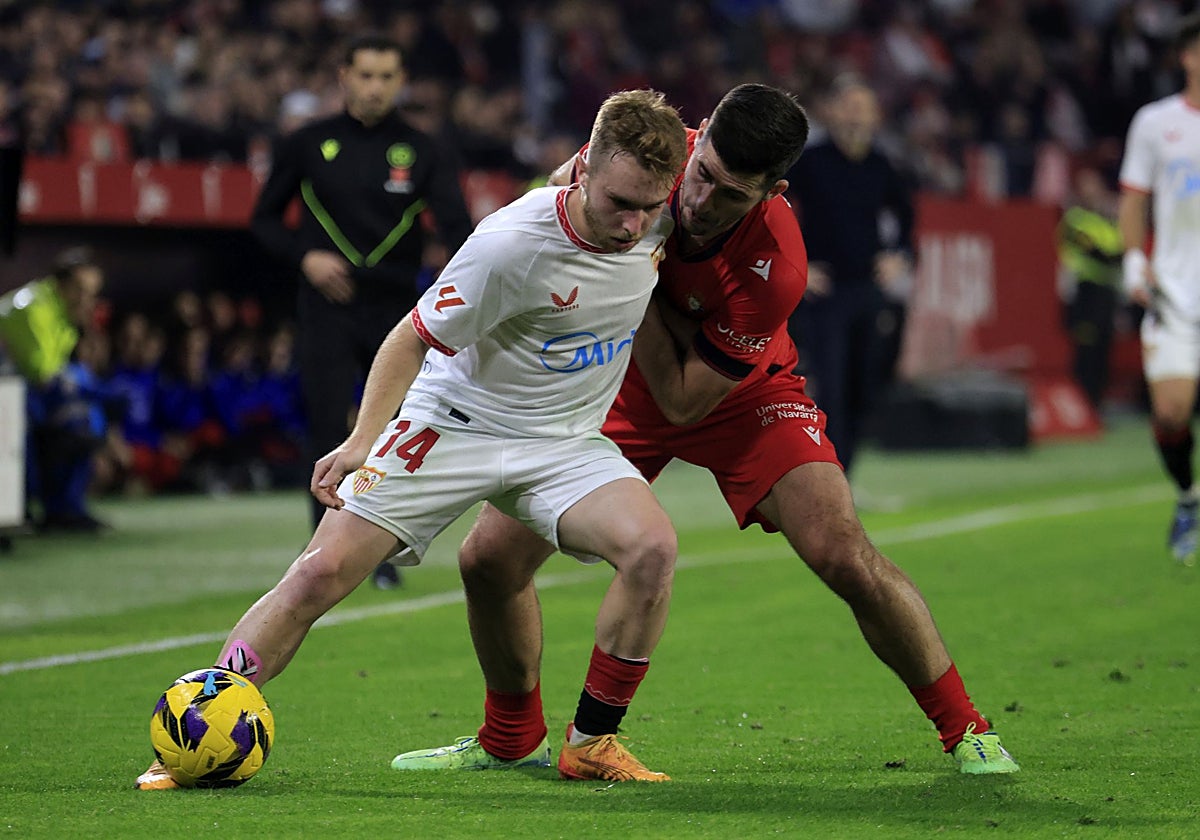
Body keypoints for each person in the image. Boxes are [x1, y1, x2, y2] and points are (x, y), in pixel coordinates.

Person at [393, 84, 1018, 780]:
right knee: (487, 562)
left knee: (842, 552)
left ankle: (966, 728)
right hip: (616, 386)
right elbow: (560, 198)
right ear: (701, 135)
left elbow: (686, 399)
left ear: (772, 192)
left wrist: (644, 281)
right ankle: (510, 738)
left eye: (730, 194)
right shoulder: (650, 155)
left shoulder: (776, 265)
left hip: (742, 399)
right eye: (702, 174)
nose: (697, 201)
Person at [135, 88, 689, 791]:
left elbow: (714, 169)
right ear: (584, 172)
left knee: (653, 548)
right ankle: (194, 735)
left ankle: (590, 743)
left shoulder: (658, 210)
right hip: (453, 424)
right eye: (619, 203)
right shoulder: (508, 245)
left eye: (649, 206)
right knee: (317, 573)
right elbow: (408, 338)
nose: (634, 223)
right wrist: (364, 439)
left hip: (562, 443)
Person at [250, 32, 474, 589]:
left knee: (393, 429)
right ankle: (317, 553)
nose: (375, 87)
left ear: (401, 83)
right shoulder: (306, 142)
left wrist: (452, 294)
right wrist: (306, 258)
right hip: (324, 303)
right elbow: (264, 220)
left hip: (397, 310)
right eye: (365, 75)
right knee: (326, 422)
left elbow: (459, 232)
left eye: (386, 77)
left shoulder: (424, 150)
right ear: (344, 77)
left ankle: (377, 552)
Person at [786, 74, 915, 475]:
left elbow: (908, 219)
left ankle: (847, 473)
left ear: (876, 116)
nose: (856, 115)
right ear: (833, 111)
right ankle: (829, 475)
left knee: (864, 385)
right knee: (832, 387)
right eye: (850, 106)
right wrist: (799, 267)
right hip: (826, 294)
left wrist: (901, 256)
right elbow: (771, 207)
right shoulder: (810, 162)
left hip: (868, 289)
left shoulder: (882, 165)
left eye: (864, 107)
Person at [1117, 12, 1200, 566]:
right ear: (1185, 57)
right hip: (1175, 290)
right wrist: (1132, 259)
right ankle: (1188, 498)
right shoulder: (1155, 122)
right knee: (1171, 413)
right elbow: (1133, 197)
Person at [0, 246, 108, 531]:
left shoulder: (65, 314)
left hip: (22, 390)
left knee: (86, 416)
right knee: (64, 417)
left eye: (92, 293)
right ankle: (19, 507)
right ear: (61, 284)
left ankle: (64, 509)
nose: (87, 300)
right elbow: (42, 374)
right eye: (81, 290)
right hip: (11, 390)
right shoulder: (33, 307)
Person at [1057, 166, 1124, 411]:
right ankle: (1082, 404)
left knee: (1103, 351)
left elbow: (1119, 250)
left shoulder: (1104, 220)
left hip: (1106, 293)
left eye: (1095, 185)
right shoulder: (1075, 219)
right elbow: (1101, 254)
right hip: (1084, 293)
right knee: (1085, 351)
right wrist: (1114, 256)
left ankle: (1096, 404)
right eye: (1087, 185)